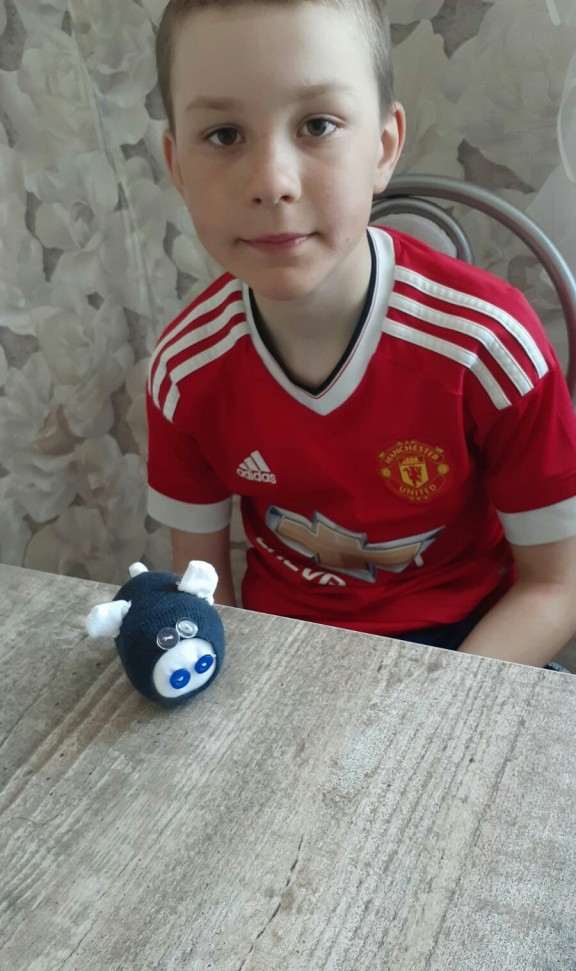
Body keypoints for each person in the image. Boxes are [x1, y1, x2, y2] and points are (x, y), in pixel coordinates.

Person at [147, 0, 576, 668]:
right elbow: (201, 587)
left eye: (317, 124)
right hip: (280, 648)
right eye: (225, 135)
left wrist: (426, 712)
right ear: (177, 167)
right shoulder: (184, 371)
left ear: (383, 147)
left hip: (471, 646)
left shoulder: (490, 346)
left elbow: (557, 586)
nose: (272, 182)